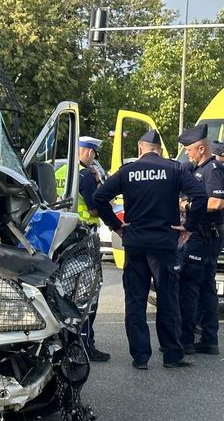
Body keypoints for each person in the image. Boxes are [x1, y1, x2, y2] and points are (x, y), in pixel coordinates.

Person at [93, 130, 207, 369]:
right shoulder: (175, 169)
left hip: (134, 242)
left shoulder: (127, 171)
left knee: (135, 300)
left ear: (139, 149)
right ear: (160, 150)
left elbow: (99, 197)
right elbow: (199, 195)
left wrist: (116, 226)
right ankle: (172, 356)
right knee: (168, 298)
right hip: (164, 244)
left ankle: (140, 357)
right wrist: (189, 227)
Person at [57, 136, 110, 361]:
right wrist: (101, 185)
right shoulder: (86, 176)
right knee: (89, 294)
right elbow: (95, 209)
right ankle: (86, 345)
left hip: (63, 238)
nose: (94, 159)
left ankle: (63, 343)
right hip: (84, 239)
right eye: (94, 154)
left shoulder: (60, 171)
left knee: (64, 292)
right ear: (88, 152)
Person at [177, 126, 224, 355]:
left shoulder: (211, 169)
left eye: (189, 149)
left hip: (204, 236)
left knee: (189, 286)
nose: (187, 153)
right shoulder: (200, 169)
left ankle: (185, 341)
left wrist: (187, 205)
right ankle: (209, 340)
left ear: (201, 148)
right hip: (205, 236)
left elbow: (216, 203)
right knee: (206, 288)